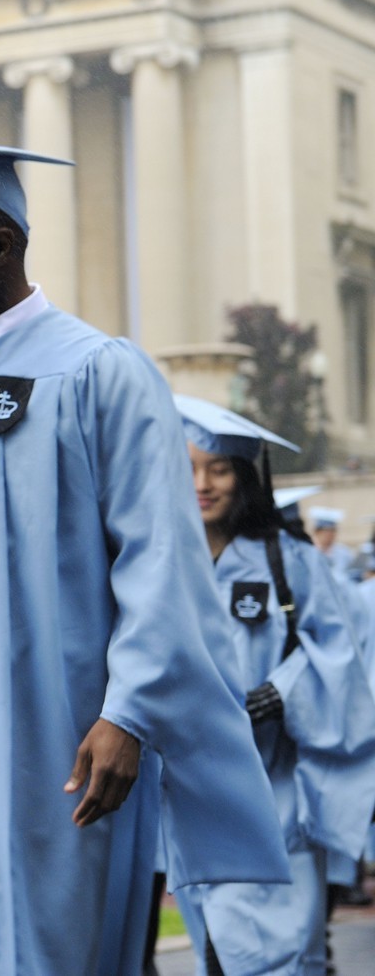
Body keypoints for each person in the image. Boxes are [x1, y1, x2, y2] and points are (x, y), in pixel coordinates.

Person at [0, 143, 290, 975]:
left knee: (56, 952)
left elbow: (160, 566)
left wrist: (129, 714)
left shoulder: (100, 375)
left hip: (57, 745)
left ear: (1, 244)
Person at [172, 396, 375, 975]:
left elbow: (341, 657)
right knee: (215, 947)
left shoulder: (289, 562)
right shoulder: (162, 560)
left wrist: (283, 690)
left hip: (274, 787)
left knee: (275, 952)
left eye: (218, 468)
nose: (202, 484)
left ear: (244, 477)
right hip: (190, 789)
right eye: (188, 469)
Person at [309, 507, 362, 585]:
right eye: (327, 531)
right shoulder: (309, 551)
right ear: (317, 532)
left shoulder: (343, 551)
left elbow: (353, 572)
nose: (331, 535)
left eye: (333, 531)